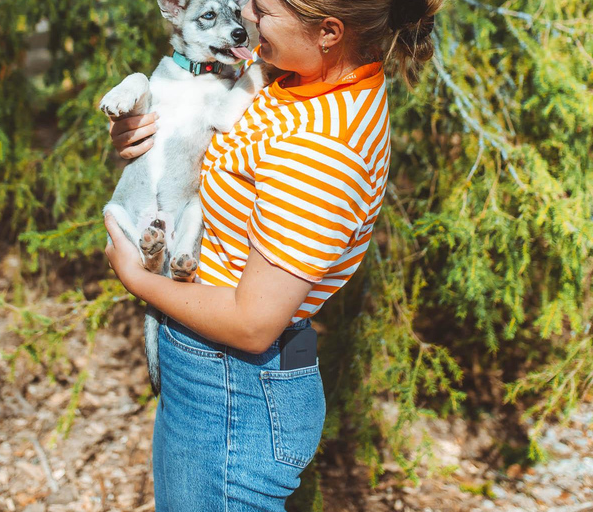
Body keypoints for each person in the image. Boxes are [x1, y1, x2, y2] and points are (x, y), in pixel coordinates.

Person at [103, 0, 441, 509]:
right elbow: (215, 135)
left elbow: (253, 322)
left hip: (233, 386)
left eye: (261, 8)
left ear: (328, 31)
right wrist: (148, 139)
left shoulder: (321, 147)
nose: (247, 19)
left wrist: (138, 278)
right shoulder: (300, 79)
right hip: (220, 376)